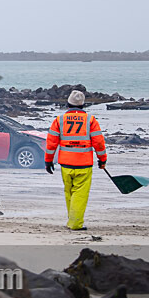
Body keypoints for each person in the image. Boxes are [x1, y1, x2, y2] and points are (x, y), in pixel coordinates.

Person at [44, 90, 107, 230]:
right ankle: (75, 224)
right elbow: (99, 143)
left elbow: (51, 143)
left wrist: (48, 161)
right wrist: (102, 160)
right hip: (84, 164)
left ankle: (71, 220)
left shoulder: (59, 120)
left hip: (66, 164)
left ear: (68, 104)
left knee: (69, 192)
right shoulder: (90, 120)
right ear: (83, 105)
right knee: (80, 194)